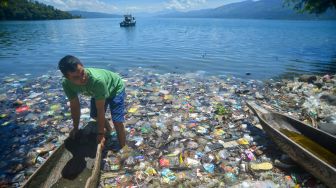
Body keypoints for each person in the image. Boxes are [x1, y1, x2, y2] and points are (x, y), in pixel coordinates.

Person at [58, 55, 126, 150]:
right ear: (67, 77)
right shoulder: (66, 84)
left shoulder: (97, 81)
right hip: (97, 92)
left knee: (117, 121)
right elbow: (75, 106)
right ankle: (110, 131)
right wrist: (75, 127)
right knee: (95, 116)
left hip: (115, 88)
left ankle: (123, 147)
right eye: (76, 77)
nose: (82, 78)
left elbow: (100, 109)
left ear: (83, 66)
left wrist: (100, 133)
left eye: (82, 73)